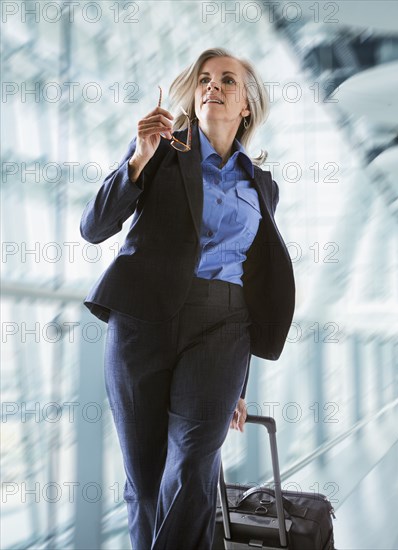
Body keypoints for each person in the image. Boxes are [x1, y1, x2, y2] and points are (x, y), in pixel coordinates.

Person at [80, 47, 295, 550]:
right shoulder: (160, 150)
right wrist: (137, 158)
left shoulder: (262, 185)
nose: (212, 87)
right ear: (194, 95)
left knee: (195, 463)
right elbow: (94, 228)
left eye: (226, 80)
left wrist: (238, 386)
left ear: (246, 105)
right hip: (143, 322)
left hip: (224, 327)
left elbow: (255, 280)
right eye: (203, 79)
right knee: (147, 479)